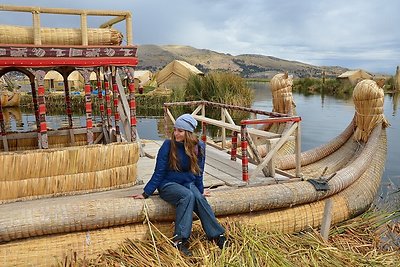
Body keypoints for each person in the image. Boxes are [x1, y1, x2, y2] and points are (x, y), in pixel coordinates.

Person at [133, 114, 227, 256]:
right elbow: (159, 172)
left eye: (180, 131)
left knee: (199, 198)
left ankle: (217, 235)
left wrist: (200, 191)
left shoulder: (199, 147)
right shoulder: (167, 145)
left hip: (187, 183)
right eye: (175, 129)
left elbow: (198, 173)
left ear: (188, 133)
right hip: (168, 184)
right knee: (187, 196)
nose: (176, 133)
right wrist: (146, 192)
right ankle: (180, 240)